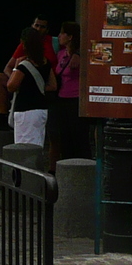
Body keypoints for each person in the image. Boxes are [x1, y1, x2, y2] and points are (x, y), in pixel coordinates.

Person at [0, 14, 57, 120]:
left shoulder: (52, 46)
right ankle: (2, 116)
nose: (38, 29)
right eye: (36, 25)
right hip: (26, 85)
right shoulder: (28, 60)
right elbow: (8, 73)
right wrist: (16, 75)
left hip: (38, 88)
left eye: (42, 27)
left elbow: (11, 86)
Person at [4, 25, 53, 146]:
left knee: (24, 147)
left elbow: (11, 86)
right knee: (37, 144)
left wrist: (16, 67)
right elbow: (53, 85)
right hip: (41, 109)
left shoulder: (24, 65)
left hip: (26, 110)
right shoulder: (46, 62)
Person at [47, 21, 86, 166]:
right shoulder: (61, 53)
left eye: (62, 33)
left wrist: (78, 53)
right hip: (61, 98)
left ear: (70, 36)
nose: (59, 36)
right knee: (64, 136)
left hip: (75, 98)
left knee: (78, 136)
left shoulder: (80, 54)